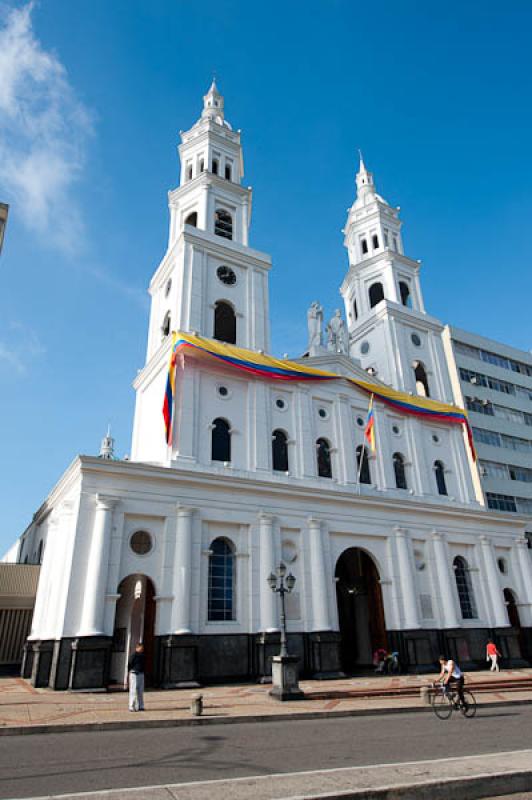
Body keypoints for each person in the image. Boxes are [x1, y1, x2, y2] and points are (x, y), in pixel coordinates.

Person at [128, 643, 145, 712]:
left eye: (142, 648)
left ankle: (140, 706)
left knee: (140, 691)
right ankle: (131, 706)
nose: (142, 649)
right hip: (134, 673)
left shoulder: (143, 656)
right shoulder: (133, 655)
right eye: (141, 648)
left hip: (141, 674)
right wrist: (130, 671)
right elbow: (129, 663)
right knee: (133, 690)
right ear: (137, 648)